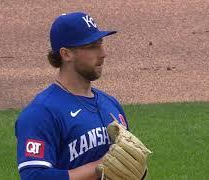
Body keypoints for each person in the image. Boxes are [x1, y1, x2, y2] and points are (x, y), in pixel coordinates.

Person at [15, 11, 129, 180]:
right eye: (92, 46)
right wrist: (99, 167)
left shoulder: (111, 105)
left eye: (101, 43)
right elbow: (35, 176)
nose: (103, 53)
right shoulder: (41, 113)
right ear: (66, 54)